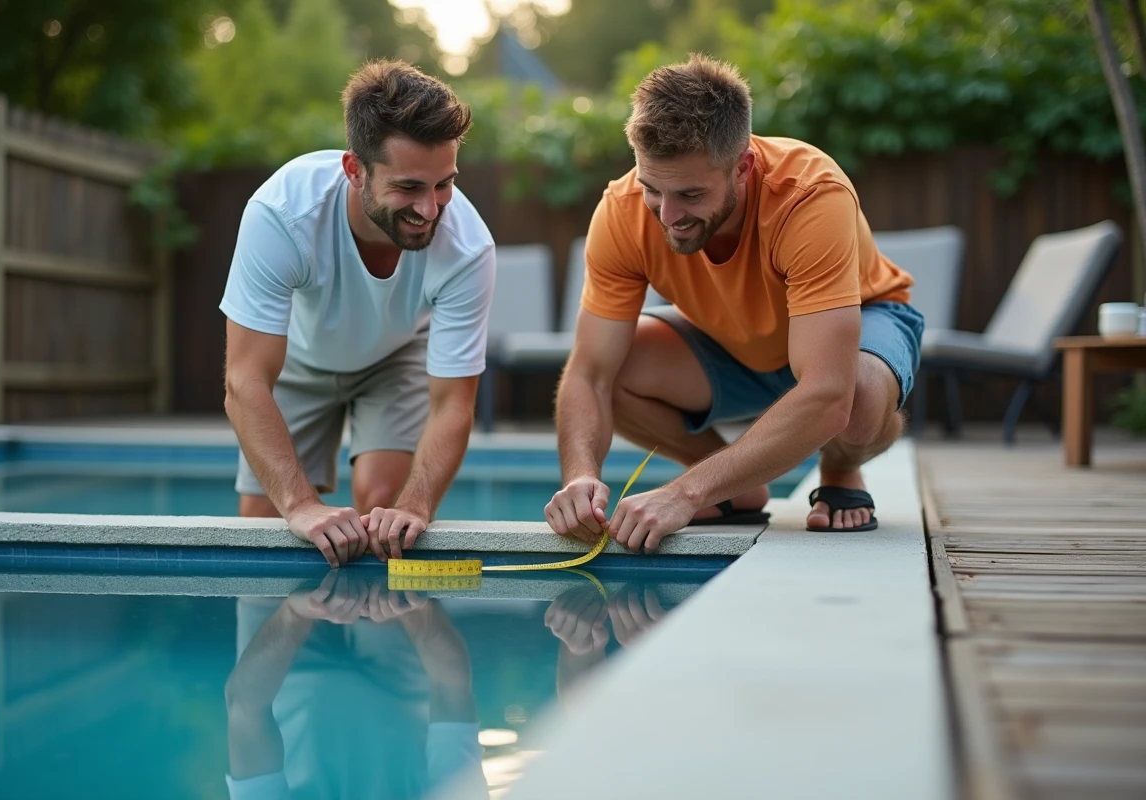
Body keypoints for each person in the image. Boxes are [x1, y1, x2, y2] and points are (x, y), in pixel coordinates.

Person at [544, 54, 924, 554]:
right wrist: (579, 477)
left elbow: (828, 393)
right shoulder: (621, 212)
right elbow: (589, 374)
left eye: (691, 194)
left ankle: (840, 466)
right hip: (730, 345)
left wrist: (684, 494)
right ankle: (735, 484)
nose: (668, 216)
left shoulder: (809, 196)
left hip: (858, 327)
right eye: (652, 189)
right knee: (612, 367)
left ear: (742, 166)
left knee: (856, 399)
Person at [221, 60, 496, 567]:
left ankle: (385, 635)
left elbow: (454, 404)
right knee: (265, 525)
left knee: (386, 512)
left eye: (444, 184)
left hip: (397, 356)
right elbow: (245, 381)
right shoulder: (281, 215)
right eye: (409, 188)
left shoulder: (469, 247)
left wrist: (416, 506)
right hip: (298, 360)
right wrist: (301, 505)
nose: (432, 209)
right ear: (355, 170)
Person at [224, 572, 488, 799]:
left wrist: (294, 613)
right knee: (386, 529)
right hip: (398, 683)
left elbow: (246, 709)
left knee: (264, 522)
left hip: (283, 678)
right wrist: (407, 604)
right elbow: (452, 687)